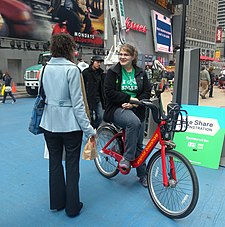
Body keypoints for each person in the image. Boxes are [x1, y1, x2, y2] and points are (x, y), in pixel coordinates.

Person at [39, 33, 96, 217]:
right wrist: (89, 130)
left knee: (54, 164)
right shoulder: (72, 70)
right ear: (69, 49)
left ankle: (57, 202)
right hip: (70, 126)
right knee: (72, 166)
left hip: (49, 123)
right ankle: (72, 207)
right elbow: (78, 105)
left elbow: (43, 96)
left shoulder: (45, 68)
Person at [103, 44, 151, 187]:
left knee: (139, 144)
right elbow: (109, 92)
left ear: (133, 57)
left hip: (137, 108)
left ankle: (142, 175)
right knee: (133, 123)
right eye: (121, 54)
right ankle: (127, 158)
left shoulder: (141, 73)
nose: (122, 57)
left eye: (126, 54)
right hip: (117, 108)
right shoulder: (113, 72)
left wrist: (135, 103)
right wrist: (127, 99)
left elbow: (147, 91)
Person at [82, 55, 105, 129]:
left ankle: (93, 128)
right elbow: (82, 86)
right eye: (97, 62)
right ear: (92, 62)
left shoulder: (101, 73)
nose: (99, 64)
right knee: (89, 117)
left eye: (100, 62)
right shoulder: (85, 73)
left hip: (97, 98)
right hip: (88, 98)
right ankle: (90, 133)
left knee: (100, 116)